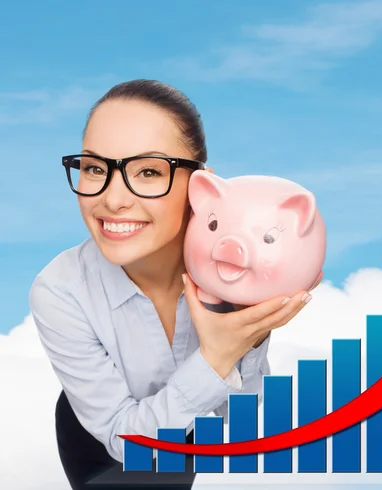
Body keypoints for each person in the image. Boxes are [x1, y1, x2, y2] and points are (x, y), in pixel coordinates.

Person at [29, 79, 321, 490]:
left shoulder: (235, 267)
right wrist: (218, 357)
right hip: (100, 445)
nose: (113, 200)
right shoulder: (61, 290)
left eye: (148, 172)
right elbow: (125, 440)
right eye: (95, 169)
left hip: (194, 437)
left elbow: (241, 425)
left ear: (200, 186)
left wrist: (251, 336)